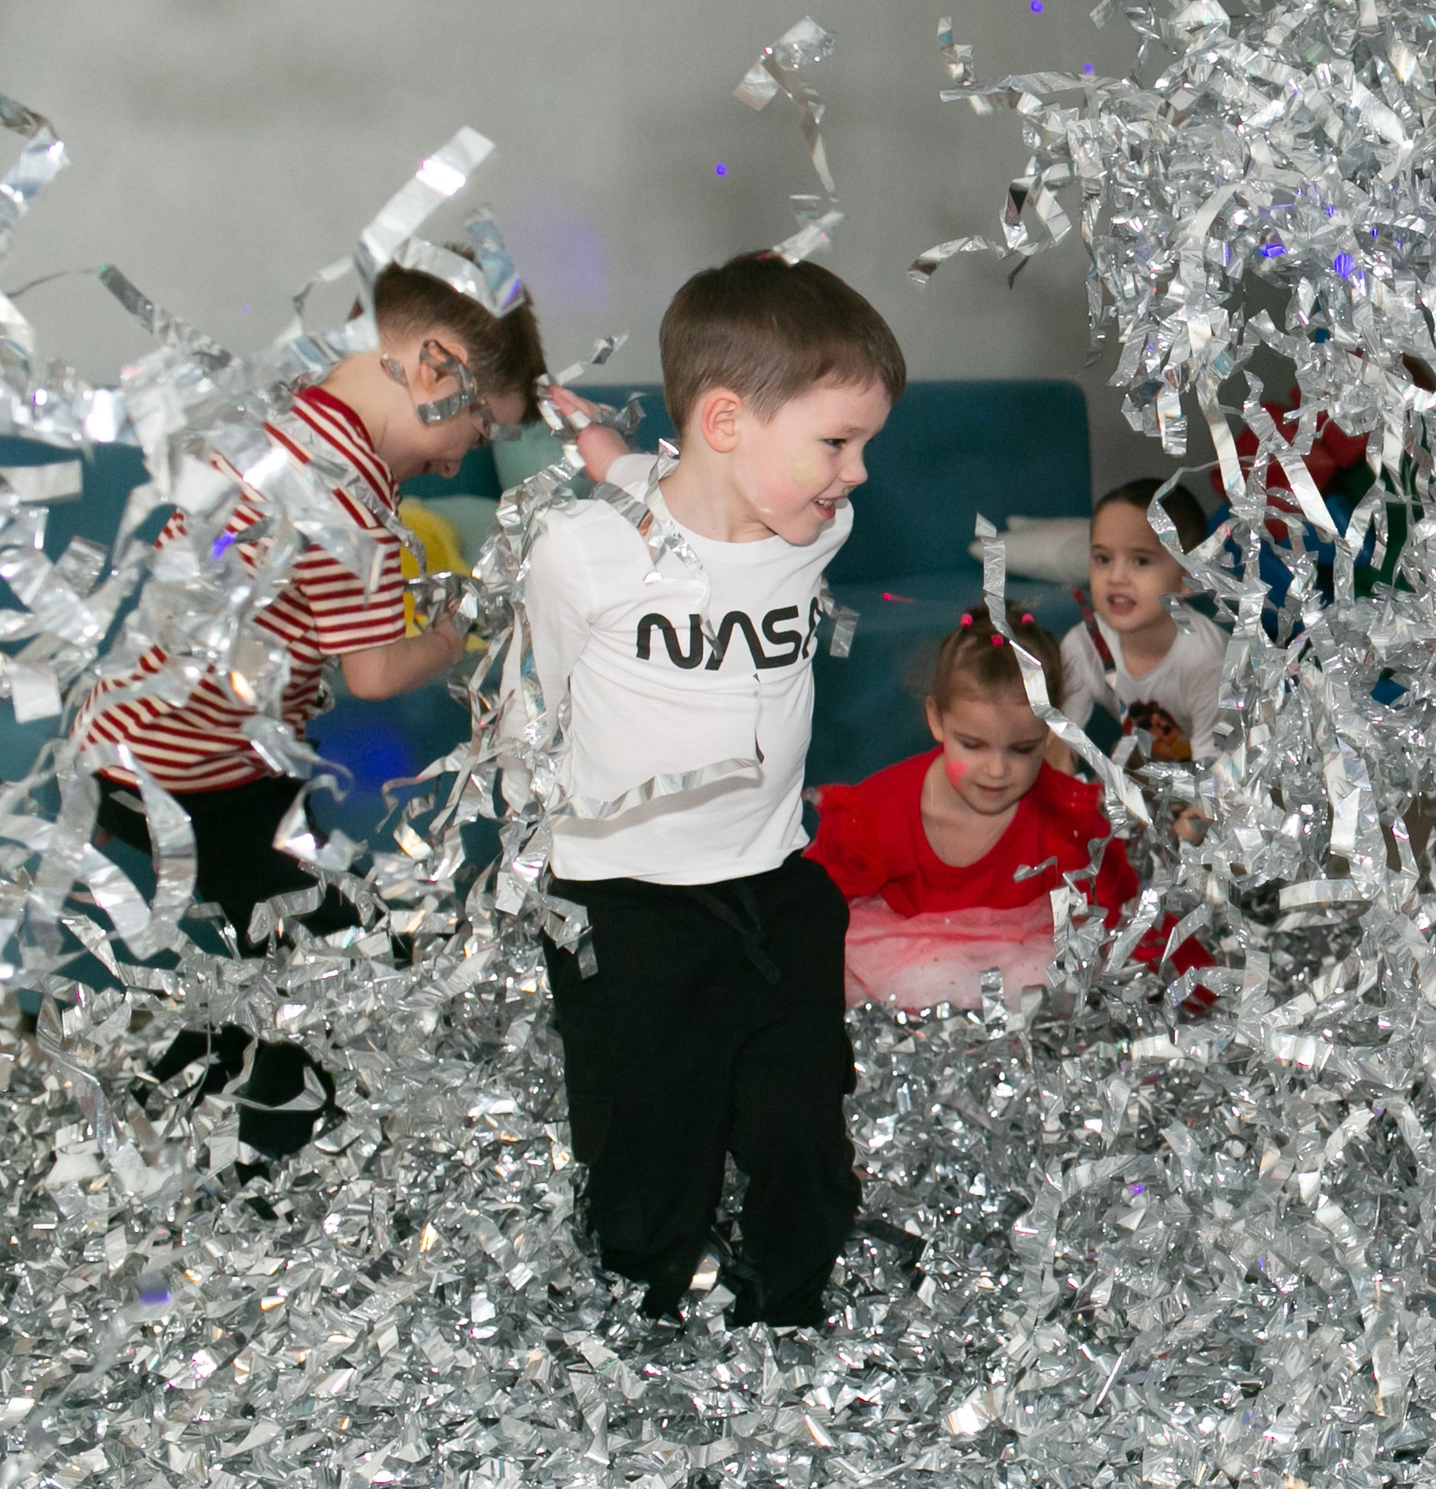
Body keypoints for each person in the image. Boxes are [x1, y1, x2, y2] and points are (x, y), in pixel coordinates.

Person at [75, 263, 541, 1158]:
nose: (462, 456)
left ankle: (173, 1095)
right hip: (191, 774)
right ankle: (267, 1180)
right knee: (323, 963)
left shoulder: (285, 420)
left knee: (284, 947)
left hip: (140, 746)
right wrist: (456, 631)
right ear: (437, 371)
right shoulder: (350, 497)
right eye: (481, 425)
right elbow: (369, 676)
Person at [520, 252, 901, 1328]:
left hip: (774, 885)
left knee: (799, 1126)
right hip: (627, 904)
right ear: (728, 422)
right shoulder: (582, 557)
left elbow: (654, 469)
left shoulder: (814, 530)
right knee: (650, 1139)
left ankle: (790, 1304)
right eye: (836, 442)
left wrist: (610, 448)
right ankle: (641, 1322)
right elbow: (537, 702)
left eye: (863, 443)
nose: (858, 474)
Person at [807, 605, 1208, 1010]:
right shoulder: (876, 817)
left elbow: (1132, 911)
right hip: (898, 977)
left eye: (1022, 749)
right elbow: (806, 908)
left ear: (1050, 733)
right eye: (972, 744)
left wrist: (1201, 998)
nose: (996, 770)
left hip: (1024, 977)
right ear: (936, 721)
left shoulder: (1068, 820)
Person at [1060, 478, 1227, 762]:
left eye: (1140, 561)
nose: (1115, 577)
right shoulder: (1084, 644)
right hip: (1164, 764)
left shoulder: (1209, 662)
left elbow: (1218, 785)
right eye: (1103, 559)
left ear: (1188, 576)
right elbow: (1059, 750)